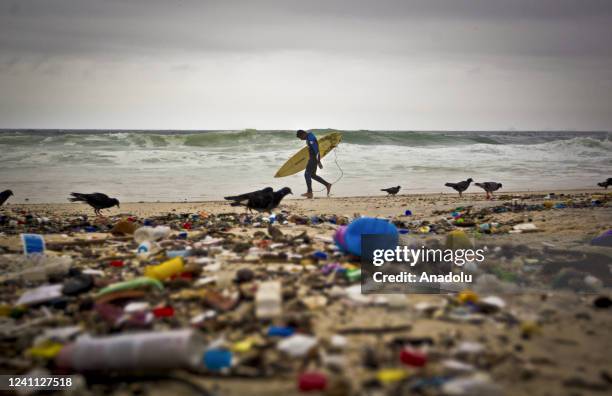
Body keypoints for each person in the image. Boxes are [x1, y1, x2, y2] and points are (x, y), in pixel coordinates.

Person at [296, 130, 332, 198]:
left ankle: (310, 192)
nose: (301, 139)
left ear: (303, 134)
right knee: (312, 175)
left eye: (300, 137)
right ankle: (327, 185)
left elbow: (316, 150)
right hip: (313, 159)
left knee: (307, 174)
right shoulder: (309, 137)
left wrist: (318, 162)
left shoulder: (310, 139)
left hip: (313, 159)